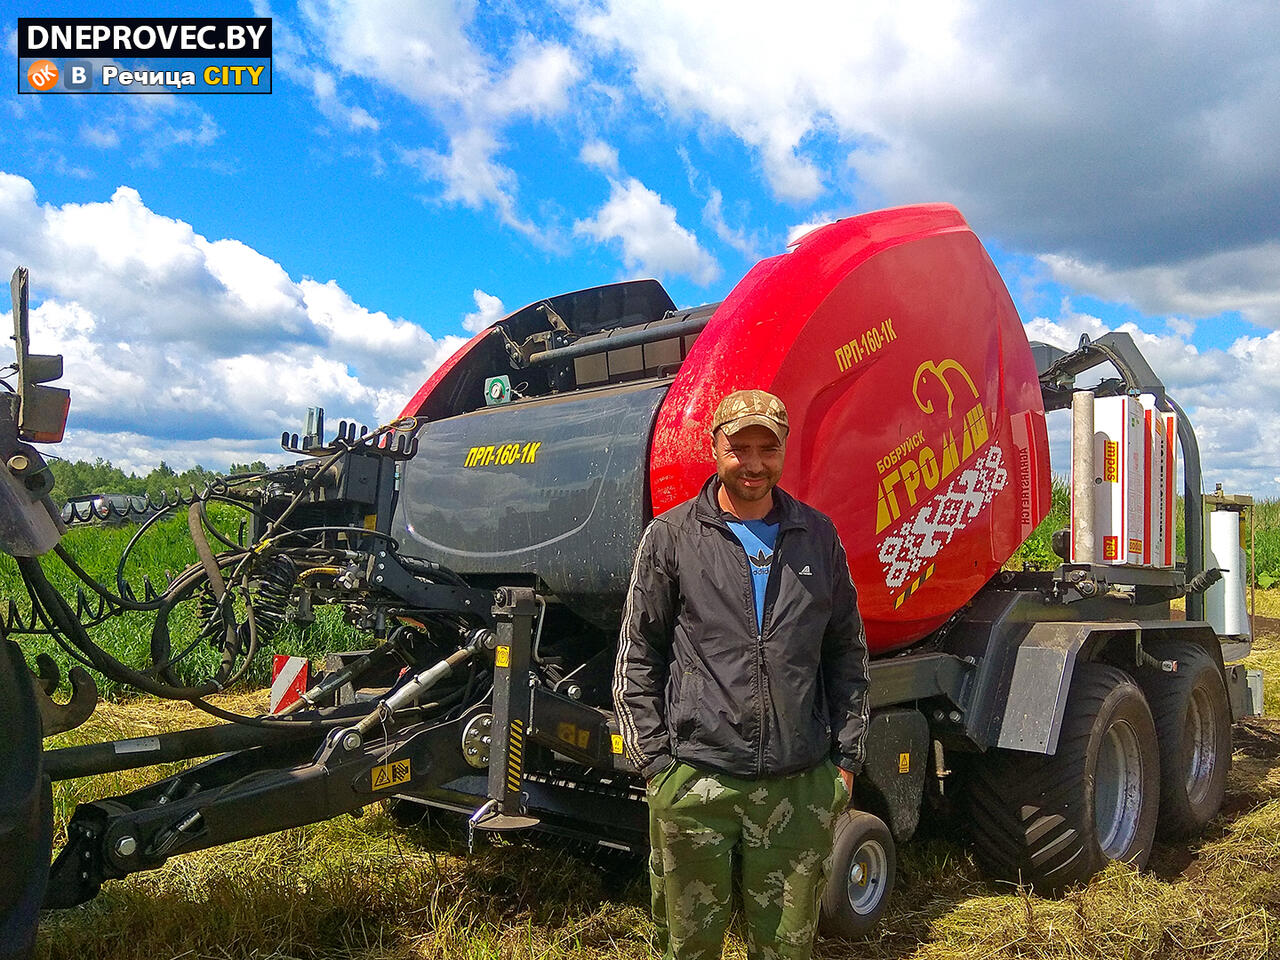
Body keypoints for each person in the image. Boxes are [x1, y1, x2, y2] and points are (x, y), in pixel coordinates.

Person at [613, 388, 870, 960]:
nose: (753, 463)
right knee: (688, 947)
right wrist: (657, 766)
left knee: (786, 948)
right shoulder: (672, 536)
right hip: (695, 780)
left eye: (767, 448)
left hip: (798, 784)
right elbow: (637, 654)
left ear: (783, 452)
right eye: (739, 448)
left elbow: (846, 654)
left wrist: (845, 762)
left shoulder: (817, 536)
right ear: (715, 448)